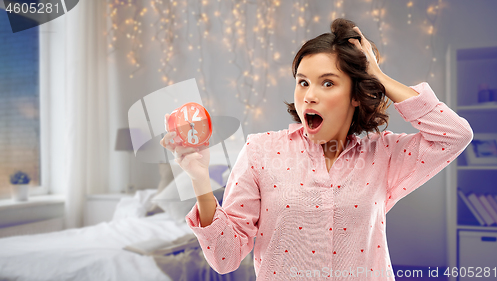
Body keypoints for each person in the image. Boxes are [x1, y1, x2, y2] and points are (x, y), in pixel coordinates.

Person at [160, 18, 473, 280]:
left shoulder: (383, 155)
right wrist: (200, 181)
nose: (308, 96)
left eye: (327, 83)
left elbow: (454, 135)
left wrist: (376, 74)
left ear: (355, 95)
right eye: (302, 82)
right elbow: (225, 258)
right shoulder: (260, 151)